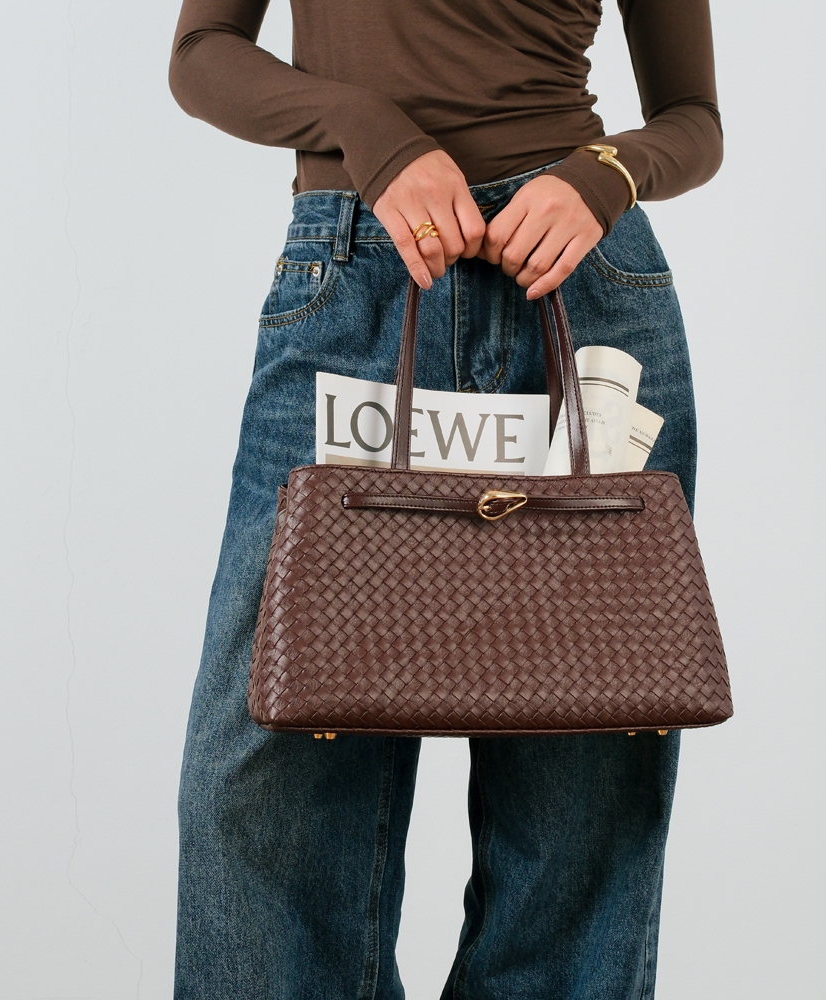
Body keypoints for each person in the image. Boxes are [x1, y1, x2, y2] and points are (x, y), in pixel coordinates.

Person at [168, 1, 722, 996]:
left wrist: (606, 173)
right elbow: (201, 56)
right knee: (266, 778)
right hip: (358, 277)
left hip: (579, 290)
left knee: (582, 799)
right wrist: (366, 130)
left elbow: (694, 120)